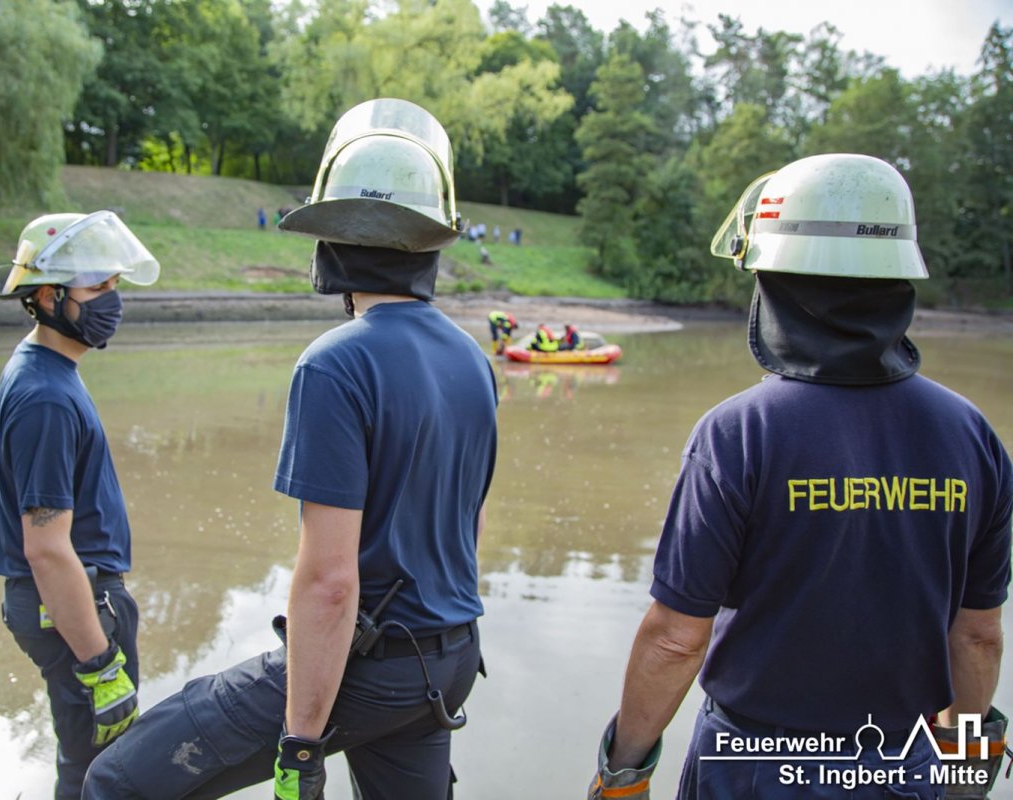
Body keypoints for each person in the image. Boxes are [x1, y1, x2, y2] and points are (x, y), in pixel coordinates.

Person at [84, 98, 497, 800]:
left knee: (116, 780)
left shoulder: (336, 363)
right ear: (432, 243)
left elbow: (330, 581)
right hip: (450, 658)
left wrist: (302, 743)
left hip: (366, 669)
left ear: (331, 239)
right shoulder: (472, 359)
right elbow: (467, 525)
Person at [587, 153, 1012, 800]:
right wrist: (965, 764)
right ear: (897, 278)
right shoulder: (971, 435)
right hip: (902, 765)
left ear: (776, 284)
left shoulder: (737, 434)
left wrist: (623, 772)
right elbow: (978, 636)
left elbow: (675, 639)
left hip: (752, 765)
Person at [0, 210, 161, 800]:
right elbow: (47, 549)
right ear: (48, 296)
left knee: (90, 758)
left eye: (114, 284)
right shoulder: (46, 399)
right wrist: (100, 665)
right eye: (97, 287)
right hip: (75, 608)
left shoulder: (46, 368)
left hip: (76, 602)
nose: (113, 300)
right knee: (100, 769)